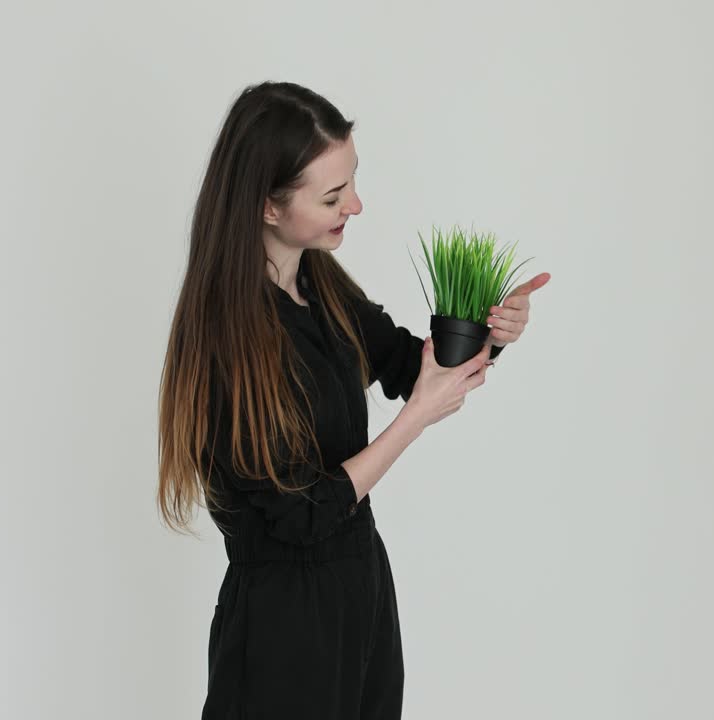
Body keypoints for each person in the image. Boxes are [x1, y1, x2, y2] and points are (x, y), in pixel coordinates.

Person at [155, 81, 500, 720]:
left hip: (360, 593)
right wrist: (413, 420)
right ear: (268, 206)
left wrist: (486, 329)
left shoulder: (322, 288)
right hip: (286, 625)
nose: (356, 206)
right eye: (333, 196)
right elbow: (300, 515)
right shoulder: (227, 340)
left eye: (353, 183)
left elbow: (410, 365)